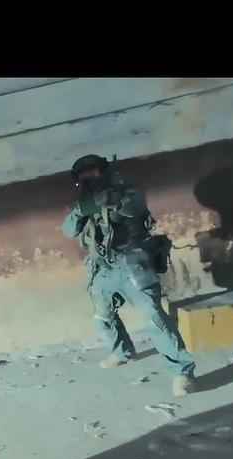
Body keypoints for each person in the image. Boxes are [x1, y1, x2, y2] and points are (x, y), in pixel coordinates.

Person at [60, 154, 197, 396]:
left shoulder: (128, 192)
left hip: (132, 265)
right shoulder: (85, 201)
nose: (89, 179)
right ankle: (121, 351)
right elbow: (68, 229)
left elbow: (136, 207)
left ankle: (181, 372)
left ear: (104, 172)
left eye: (93, 173)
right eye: (84, 176)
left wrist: (114, 201)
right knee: (102, 316)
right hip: (102, 268)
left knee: (154, 318)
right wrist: (82, 209)